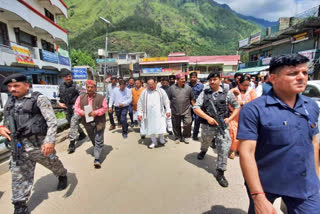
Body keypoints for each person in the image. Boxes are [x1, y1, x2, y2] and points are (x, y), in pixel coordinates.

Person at [237, 54, 320, 214]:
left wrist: (315, 179)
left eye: (304, 72)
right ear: (273, 78)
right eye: (293, 73)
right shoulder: (254, 109)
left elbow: (313, 144)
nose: (301, 77)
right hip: (266, 183)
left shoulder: (311, 106)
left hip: (304, 185)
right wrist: (258, 196)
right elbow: (247, 152)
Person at [0, 74, 68, 214]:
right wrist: (1, 127)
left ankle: (62, 175)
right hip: (19, 146)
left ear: (26, 85)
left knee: (53, 163)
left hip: (39, 144)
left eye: (16, 86)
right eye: (10, 87)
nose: (12, 89)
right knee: (19, 175)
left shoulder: (39, 99)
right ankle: (19, 205)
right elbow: (6, 118)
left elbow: (51, 121)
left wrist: (49, 141)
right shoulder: (10, 101)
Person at [193, 71, 240, 187]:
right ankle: (203, 150)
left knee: (224, 148)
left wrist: (230, 118)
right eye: (211, 80)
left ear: (220, 79)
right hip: (207, 125)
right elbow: (196, 107)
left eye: (215, 79)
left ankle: (220, 172)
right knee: (205, 142)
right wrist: (207, 118)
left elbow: (237, 106)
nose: (212, 82)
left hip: (222, 126)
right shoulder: (205, 93)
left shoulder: (227, 93)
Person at [73, 80, 107, 168]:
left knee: (98, 138)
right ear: (86, 88)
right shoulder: (81, 97)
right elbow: (76, 107)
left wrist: (96, 112)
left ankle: (97, 159)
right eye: (88, 87)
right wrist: (82, 112)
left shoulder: (101, 97)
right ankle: (98, 149)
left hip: (99, 121)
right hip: (87, 122)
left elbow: (104, 108)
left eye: (92, 87)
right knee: (92, 138)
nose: (90, 89)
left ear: (95, 88)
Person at [228, 75, 257, 159]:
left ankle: (241, 149)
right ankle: (232, 150)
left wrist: (242, 103)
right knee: (233, 133)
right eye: (243, 85)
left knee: (245, 134)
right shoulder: (233, 91)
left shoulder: (251, 91)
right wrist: (239, 103)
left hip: (247, 117)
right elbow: (229, 103)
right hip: (234, 115)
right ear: (239, 83)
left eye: (247, 85)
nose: (245, 87)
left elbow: (255, 103)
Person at [137, 78, 171, 149]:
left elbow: (166, 101)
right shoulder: (144, 92)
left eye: (152, 84)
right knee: (150, 127)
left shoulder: (161, 91)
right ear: (147, 85)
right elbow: (139, 103)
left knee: (160, 126)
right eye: (149, 85)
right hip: (149, 114)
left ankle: (161, 139)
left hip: (159, 113)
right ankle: (154, 141)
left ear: (155, 83)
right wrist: (139, 113)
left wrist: (168, 111)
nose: (151, 86)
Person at [58, 70, 86, 153]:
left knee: (73, 122)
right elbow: (56, 96)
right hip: (66, 107)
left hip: (75, 107)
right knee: (71, 123)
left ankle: (72, 143)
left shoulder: (76, 86)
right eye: (66, 77)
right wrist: (59, 103)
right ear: (63, 78)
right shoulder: (60, 87)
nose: (68, 78)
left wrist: (78, 106)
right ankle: (82, 134)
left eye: (70, 76)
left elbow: (83, 96)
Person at [167, 74, 195, 144]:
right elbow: (168, 99)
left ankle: (186, 136)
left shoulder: (188, 88)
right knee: (176, 124)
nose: (184, 80)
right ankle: (178, 137)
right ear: (177, 80)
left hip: (186, 109)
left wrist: (195, 108)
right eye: (182, 79)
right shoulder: (171, 88)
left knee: (188, 123)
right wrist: (167, 109)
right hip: (175, 109)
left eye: (184, 79)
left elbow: (192, 99)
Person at [188, 72, 204, 141]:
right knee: (189, 121)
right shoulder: (187, 85)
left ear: (196, 78)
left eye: (194, 77)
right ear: (190, 78)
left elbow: (203, 96)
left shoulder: (201, 86)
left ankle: (195, 135)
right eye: (191, 77)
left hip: (198, 106)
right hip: (189, 106)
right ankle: (187, 134)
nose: (192, 79)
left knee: (197, 121)